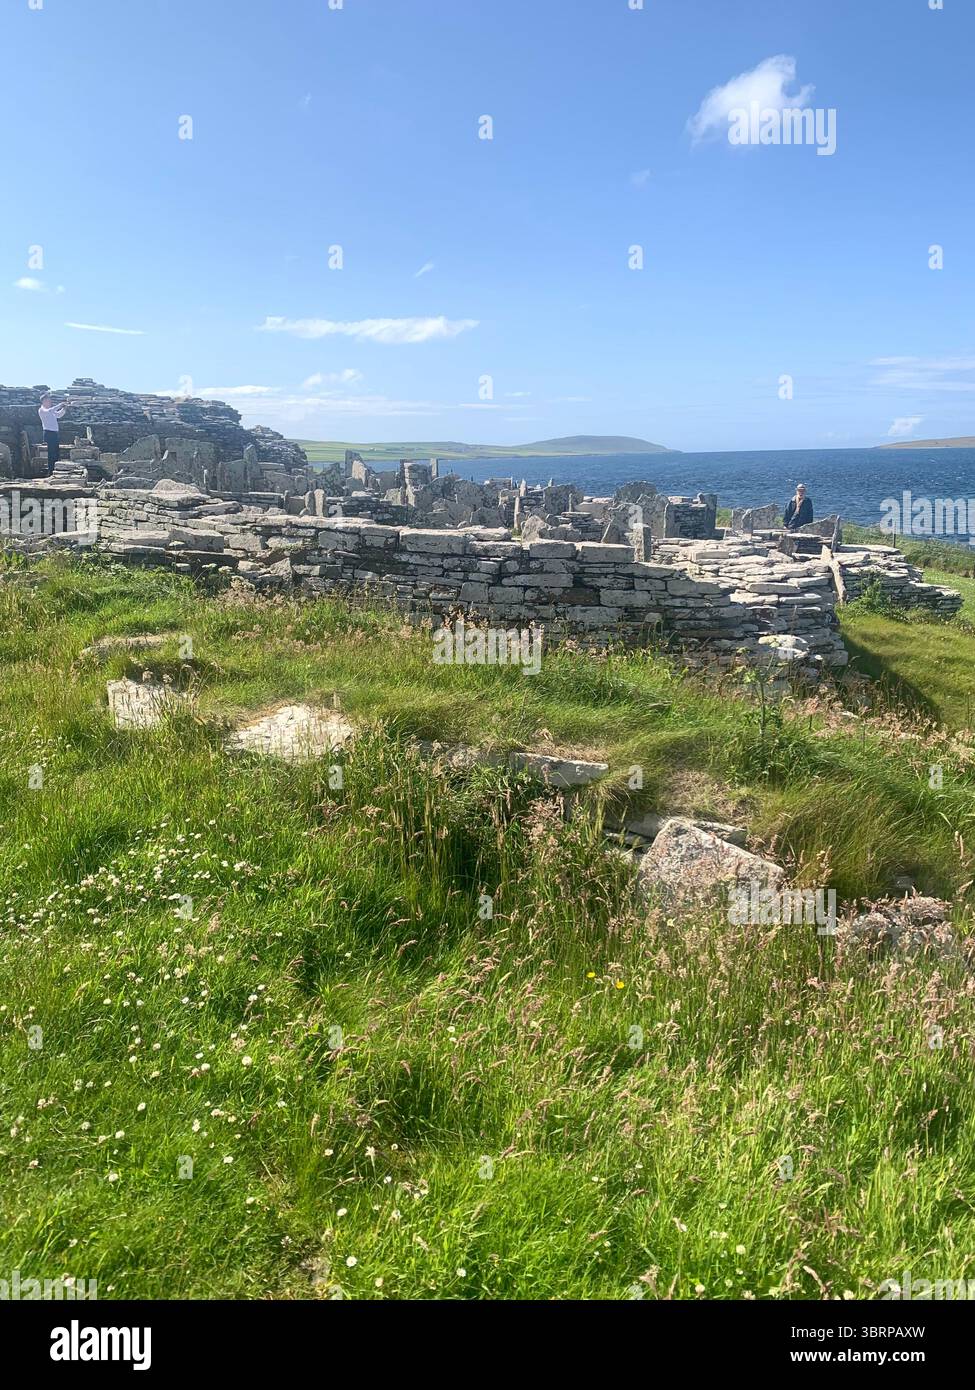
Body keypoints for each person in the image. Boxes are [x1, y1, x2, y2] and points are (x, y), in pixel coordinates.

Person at [38, 393, 68, 475]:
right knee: (51, 453)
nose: (50, 402)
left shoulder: (51, 411)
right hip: (48, 433)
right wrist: (60, 405)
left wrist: (64, 409)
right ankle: (50, 471)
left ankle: (56, 470)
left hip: (54, 434)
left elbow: (59, 415)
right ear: (43, 401)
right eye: (48, 400)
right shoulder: (42, 410)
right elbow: (50, 411)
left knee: (56, 452)